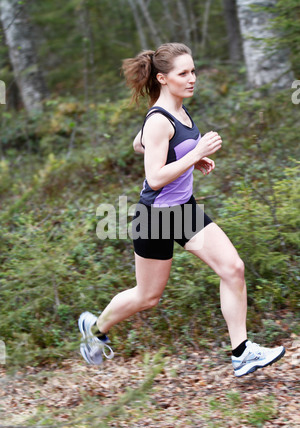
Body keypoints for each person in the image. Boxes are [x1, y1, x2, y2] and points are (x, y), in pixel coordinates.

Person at [78, 43, 285, 377]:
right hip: (156, 218)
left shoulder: (178, 112)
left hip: (184, 211)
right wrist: (192, 154)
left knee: (233, 268)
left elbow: (138, 143)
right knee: (147, 297)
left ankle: (242, 352)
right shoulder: (159, 119)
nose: (192, 79)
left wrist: (188, 158)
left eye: (193, 71)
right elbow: (155, 177)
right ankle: (94, 330)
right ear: (163, 78)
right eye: (183, 73)